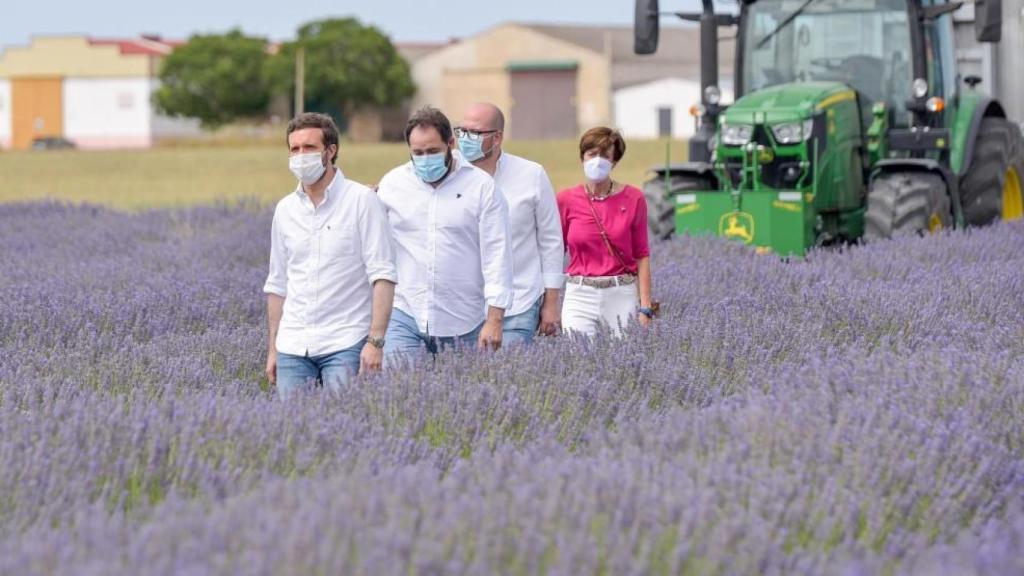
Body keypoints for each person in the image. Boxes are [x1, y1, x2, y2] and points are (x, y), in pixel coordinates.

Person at [263, 113, 397, 398]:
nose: (300, 155)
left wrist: (375, 342)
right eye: (294, 149)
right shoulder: (285, 210)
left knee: (345, 427)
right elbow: (278, 284)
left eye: (309, 148)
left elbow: (383, 276)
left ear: (331, 150)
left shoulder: (362, 201)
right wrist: (273, 349)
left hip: (346, 342)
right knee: (293, 433)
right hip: (293, 346)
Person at [376, 106, 514, 358]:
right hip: (406, 315)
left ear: (451, 143)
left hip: (463, 321)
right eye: (417, 153)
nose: (425, 159)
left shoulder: (482, 187)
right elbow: (375, 249)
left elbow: (497, 255)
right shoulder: (393, 185)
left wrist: (495, 319)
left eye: (432, 151)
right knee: (400, 392)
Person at [456, 103, 564, 345]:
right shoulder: (449, 173)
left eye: (474, 133)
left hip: (519, 301)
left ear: (497, 138)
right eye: (461, 131)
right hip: (462, 308)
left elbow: (551, 241)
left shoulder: (531, 175)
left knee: (507, 376)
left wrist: (551, 303)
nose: (465, 139)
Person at [556, 127, 654, 338]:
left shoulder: (634, 198)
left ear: (614, 161)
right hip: (579, 293)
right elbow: (555, 253)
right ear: (582, 157)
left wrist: (645, 306)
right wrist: (549, 302)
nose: (597, 160)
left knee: (624, 362)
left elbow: (642, 255)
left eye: (604, 155)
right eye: (592, 154)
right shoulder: (566, 200)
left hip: (621, 292)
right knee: (576, 360)